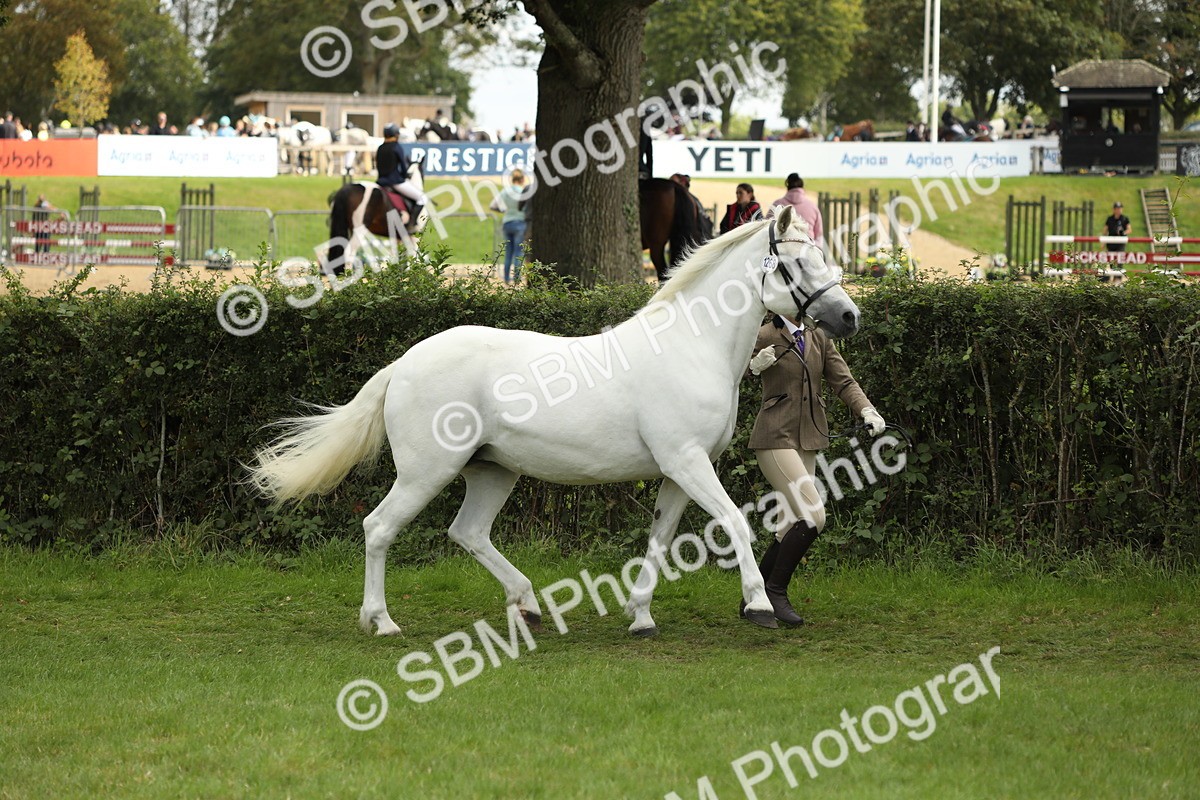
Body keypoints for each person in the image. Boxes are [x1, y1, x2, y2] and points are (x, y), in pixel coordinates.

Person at [744, 313, 886, 625]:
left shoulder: (818, 335)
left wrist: (866, 409)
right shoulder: (764, 333)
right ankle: (775, 591)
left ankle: (753, 598)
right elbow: (732, 370)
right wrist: (754, 365)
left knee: (790, 522)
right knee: (813, 515)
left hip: (809, 436)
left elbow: (842, 380)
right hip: (774, 435)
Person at [376, 122, 427, 224]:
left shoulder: (380, 148)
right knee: (422, 198)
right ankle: (412, 223)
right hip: (395, 182)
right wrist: (405, 176)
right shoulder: (396, 147)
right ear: (396, 135)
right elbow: (403, 167)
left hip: (380, 181)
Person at [491, 168, 529, 284]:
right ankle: (516, 279)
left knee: (508, 253)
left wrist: (505, 211)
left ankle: (506, 279)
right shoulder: (523, 192)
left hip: (507, 223)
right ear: (522, 179)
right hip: (520, 224)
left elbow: (493, 205)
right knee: (518, 253)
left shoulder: (505, 191)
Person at [771, 173, 823, 244]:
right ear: (802, 186)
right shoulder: (812, 207)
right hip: (808, 248)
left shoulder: (777, 205)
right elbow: (819, 236)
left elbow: (769, 229)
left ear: (787, 186)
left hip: (783, 250)